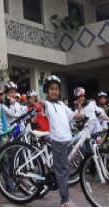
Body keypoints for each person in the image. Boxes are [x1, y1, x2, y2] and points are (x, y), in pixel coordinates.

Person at [37, 75, 84, 207]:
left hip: (68, 140)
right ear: (47, 90)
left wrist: (86, 115)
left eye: (56, 89)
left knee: (65, 169)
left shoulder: (62, 105)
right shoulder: (48, 105)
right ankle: (64, 201)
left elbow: (74, 116)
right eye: (51, 89)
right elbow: (42, 102)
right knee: (62, 170)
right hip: (58, 141)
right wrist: (36, 99)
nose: (54, 91)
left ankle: (63, 192)